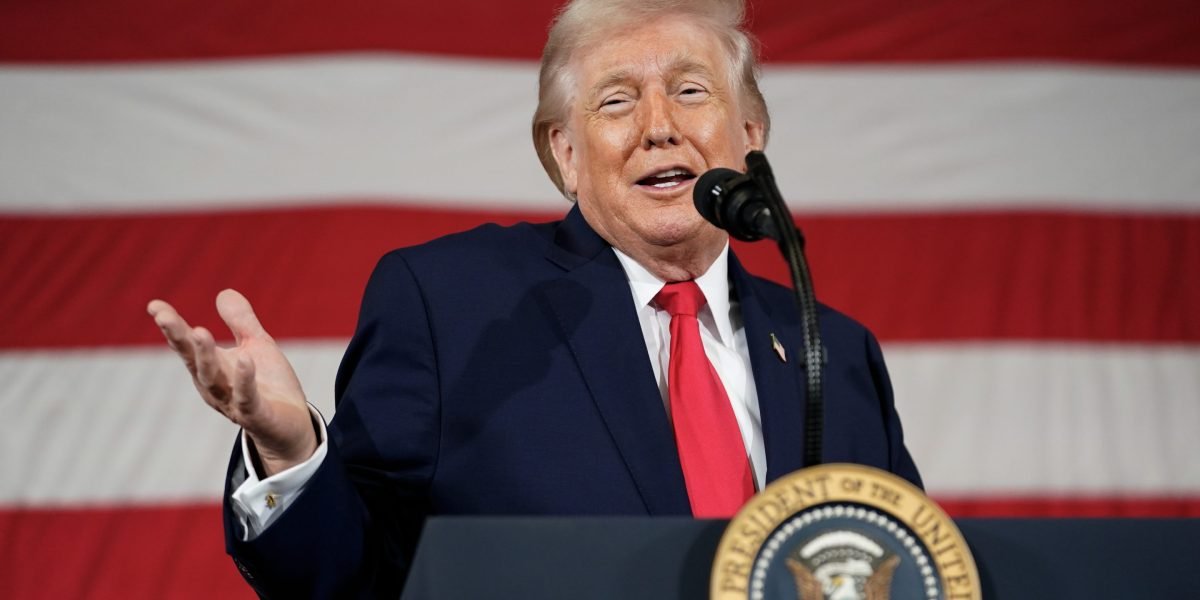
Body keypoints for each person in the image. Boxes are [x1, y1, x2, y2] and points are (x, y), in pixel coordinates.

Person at [148, 0, 921, 596]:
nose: (660, 127)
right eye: (616, 102)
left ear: (749, 133)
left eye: (691, 91)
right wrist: (293, 457)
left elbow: (910, 570)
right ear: (565, 154)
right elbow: (355, 579)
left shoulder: (833, 350)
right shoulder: (454, 305)